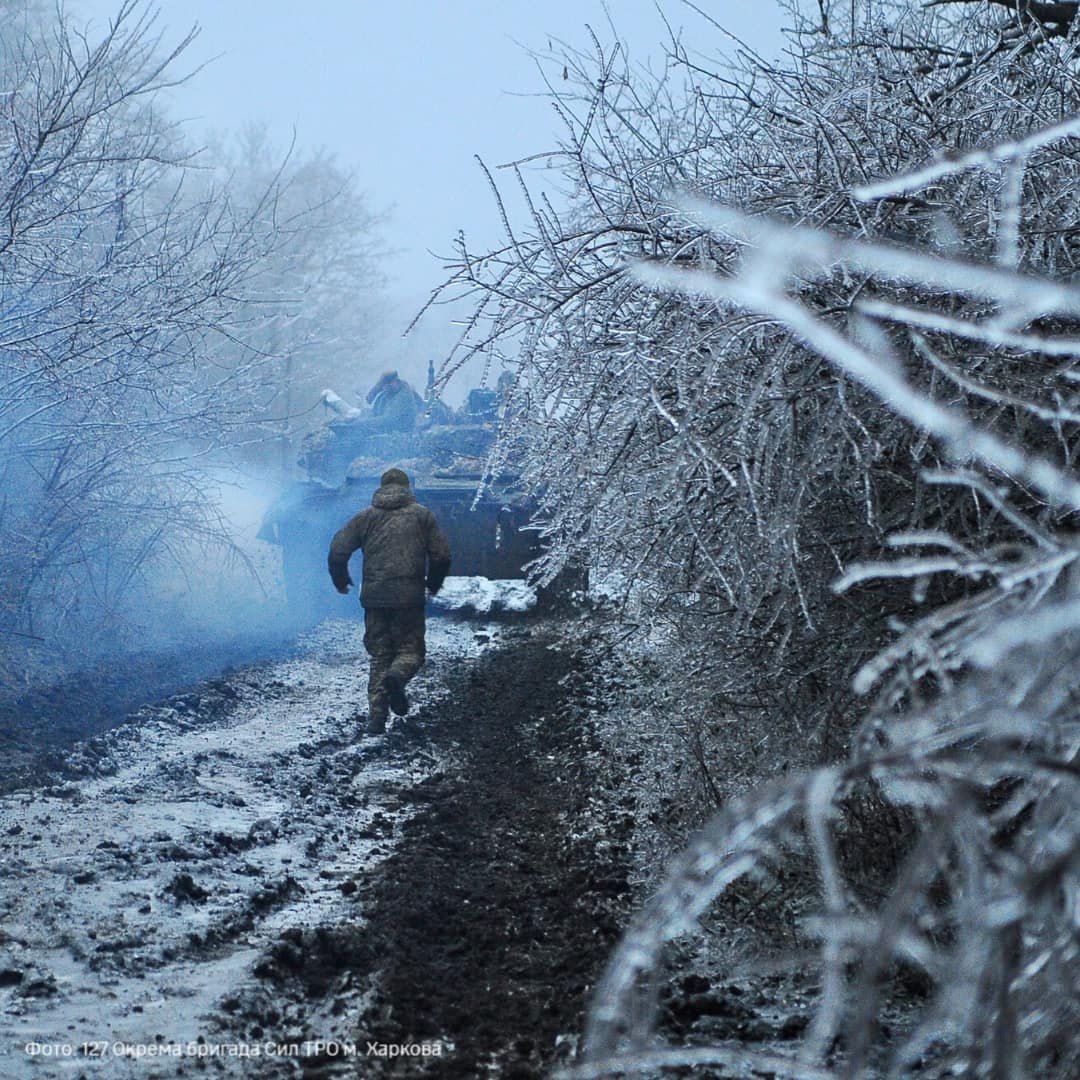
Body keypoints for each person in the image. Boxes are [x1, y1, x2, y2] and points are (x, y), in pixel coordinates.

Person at [327, 467, 452, 735]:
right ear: (407, 488)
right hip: (408, 598)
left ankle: (376, 719)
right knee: (411, 651)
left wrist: (341, 579)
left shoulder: (365, 517)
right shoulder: (422, 516)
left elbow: (338, 549)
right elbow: (441, 555)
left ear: (381, 488)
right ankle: (398, 677)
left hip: (375, 598)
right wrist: (433, 583)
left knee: (380, 656)